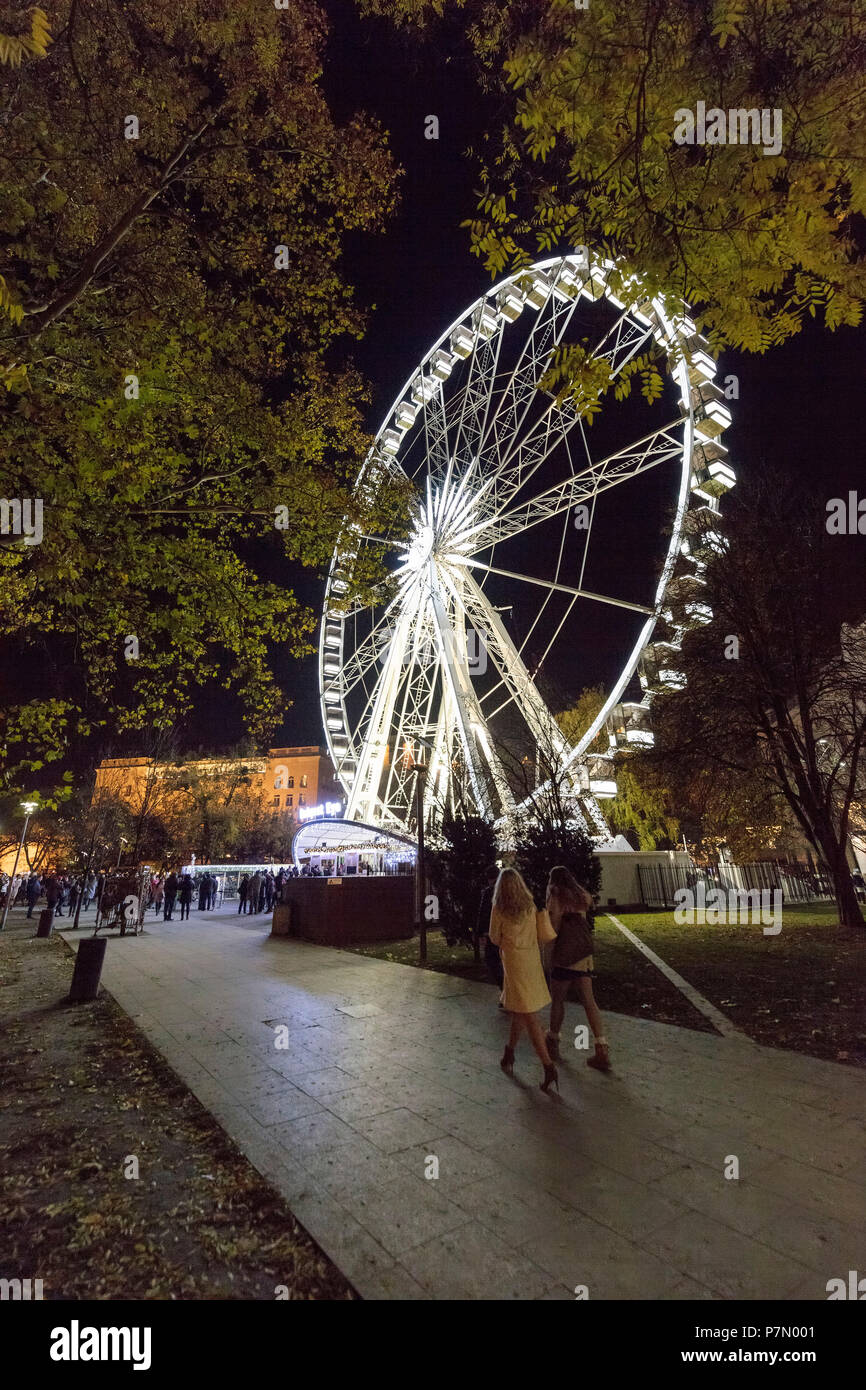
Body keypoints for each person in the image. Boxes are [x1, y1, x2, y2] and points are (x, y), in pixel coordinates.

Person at [488, 867, 558, 1093]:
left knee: (528, 1015)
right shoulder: (530, 907)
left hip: (514, 962)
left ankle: (548, 1066)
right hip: (531, 960)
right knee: (521, 1009)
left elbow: (493, 936)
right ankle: (509, 1052)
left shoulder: (499, 909)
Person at [545, 865, 610, 1072]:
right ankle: (601, 1047)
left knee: (558, 1000)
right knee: (589, 1001)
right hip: (583, 954)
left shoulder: (556, 895)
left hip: (565, 954)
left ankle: (553, 1040)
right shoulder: (581, 895)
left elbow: (553, 926)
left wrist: (547, 953)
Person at [476, 864, 503, 998]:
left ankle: (505, 990)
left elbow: (483, 913)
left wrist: (481, 932)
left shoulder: (488, 892)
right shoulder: (506, 892)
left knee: (492, 960)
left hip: (492, 932)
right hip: (506, 934)